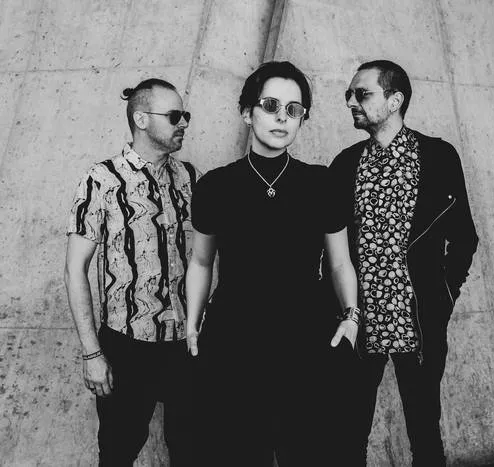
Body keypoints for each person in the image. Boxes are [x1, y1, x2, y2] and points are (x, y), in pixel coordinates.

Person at [184, 61, 360, 467]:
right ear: (247, 113)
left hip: (308, 341)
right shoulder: (215, 186)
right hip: (234, 342)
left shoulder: (321, 183)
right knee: (239, 454)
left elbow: (340, 263)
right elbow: (201, 262)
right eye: (270, 105)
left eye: (294, 109)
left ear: (302, 119)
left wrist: (351, 318)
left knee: (312, 454)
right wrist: (193, 324)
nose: (282, 117)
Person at [329, 60, 479, 466]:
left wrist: (443, 298)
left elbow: (464, 238)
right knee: (348, 436)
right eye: (349, 94)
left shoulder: (437, 157)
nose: (351, 102)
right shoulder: (345, 165)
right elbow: (331, 247)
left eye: (362, 94)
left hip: (418, 320)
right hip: (361, 321)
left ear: (394, 101)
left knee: (425, 433)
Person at [64, 78, 198, 466]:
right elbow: (75, 271)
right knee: (118, 452)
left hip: (184, 345)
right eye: (174, 115)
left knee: (191, 449)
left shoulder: (189, 176)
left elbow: (204, 259)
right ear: (141, 119)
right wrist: (92, 353)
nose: (183, 122)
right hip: (127, 347)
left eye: (185, 115)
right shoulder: (102, 179)